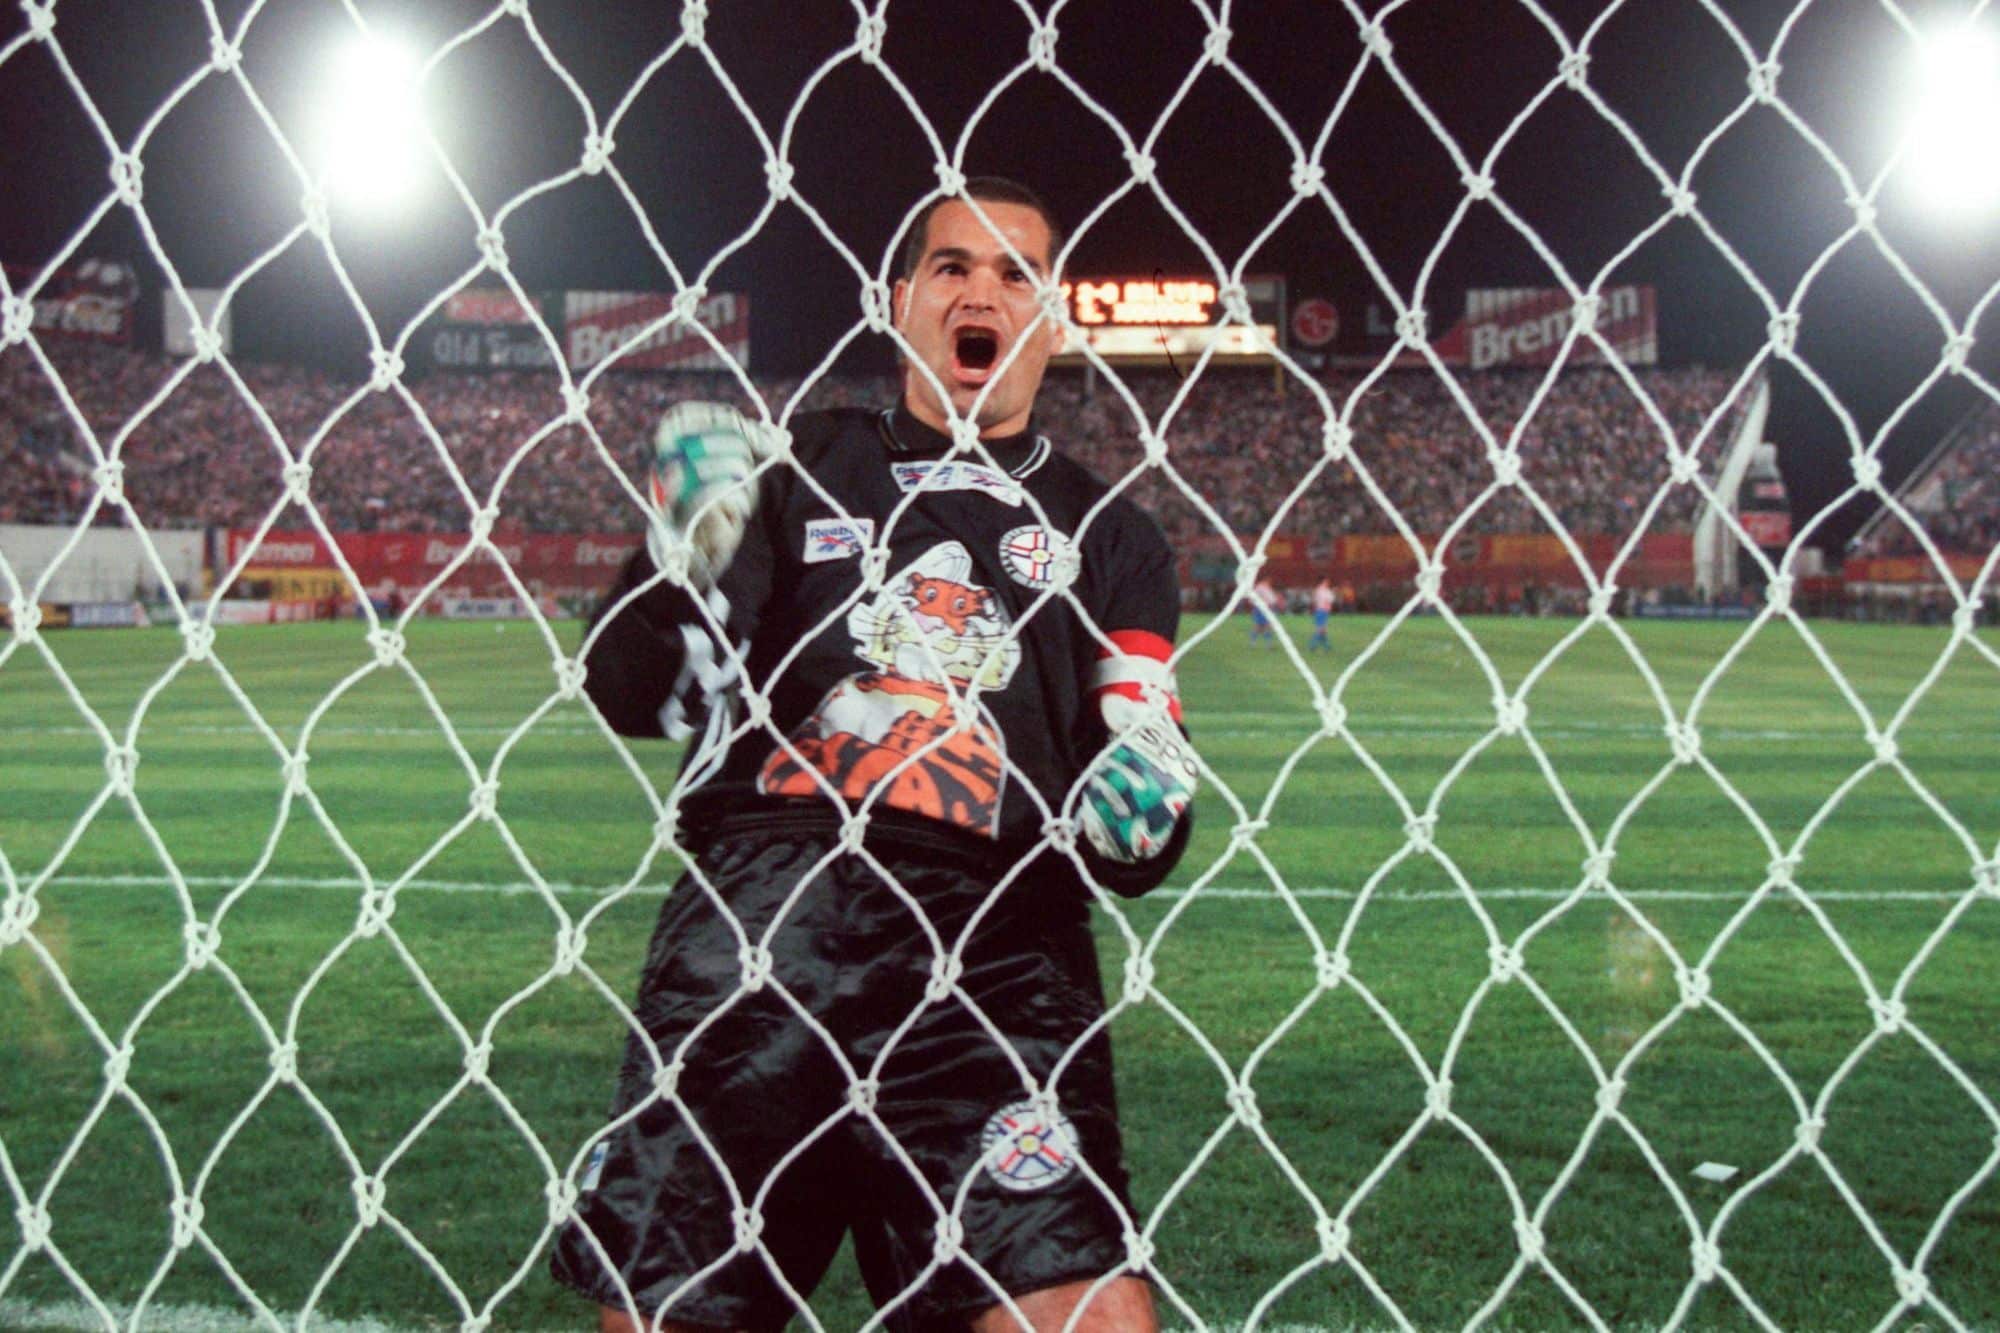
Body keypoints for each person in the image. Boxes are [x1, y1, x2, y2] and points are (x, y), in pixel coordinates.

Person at [551, 178, 1197, 1333]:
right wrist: (674, 558)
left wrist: (1144, 795)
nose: (981, 290)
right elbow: (628, 688)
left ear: (1050, 318)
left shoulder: (1116, 538)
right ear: (900, 301)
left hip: (996, 938)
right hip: (761, 917)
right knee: (671, 1312)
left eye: (1015, 273)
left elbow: (1139, 812)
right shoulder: (786, 469)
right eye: (951, 266)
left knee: (1083, 1314)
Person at [1249, 577, 1279, 645]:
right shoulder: (1259, 587)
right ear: (1264, 579)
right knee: (1260, 626)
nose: (1270, 581)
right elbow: (1252, 599)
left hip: (1269, 609)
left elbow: (1272, 599)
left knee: (1267, 626)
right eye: (1268, 580)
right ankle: (1253, 642)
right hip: (1261, 609)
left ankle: (1268, 643)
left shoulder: (1267, 587)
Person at [1308, 578, 1334, 652]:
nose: (1328, 583)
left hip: (1323, 611)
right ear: (1322, 582)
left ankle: (1327, 646)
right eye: (1326, 581)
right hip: (1321, 611)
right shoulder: (1321, 590)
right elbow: (1327, 600)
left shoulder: (1324, 590)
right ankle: (1312, 645)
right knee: (1321, 629)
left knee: (1323, 630)